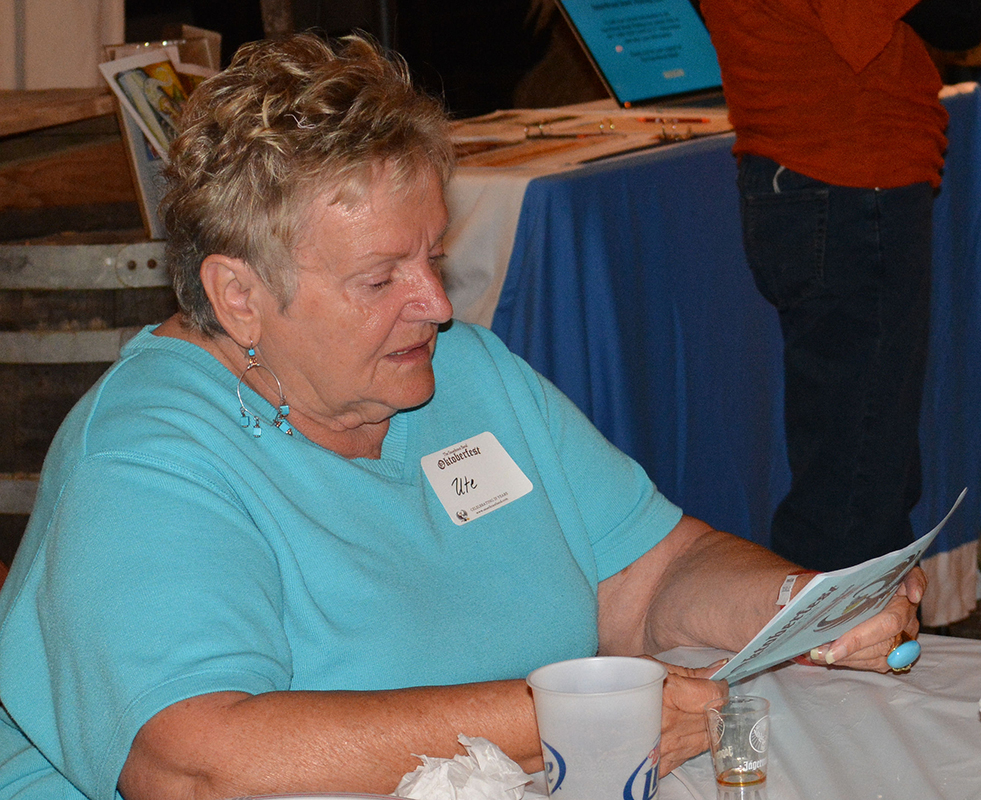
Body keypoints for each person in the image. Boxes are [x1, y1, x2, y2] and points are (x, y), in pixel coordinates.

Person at [0, 33, 924, 800]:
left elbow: (648, 578)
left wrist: (799, 606)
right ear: (238, 294)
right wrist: (569, 719)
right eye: (381, 277)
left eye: (433, 257)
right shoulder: (145, 456)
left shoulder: (468, 376)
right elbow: (197, 762)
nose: (436, 304)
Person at [697, 0, 949, 571]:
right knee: (855, 475)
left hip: (802, 173)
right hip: (849, 174)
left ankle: (857, 636)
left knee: (856, 454)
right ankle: (824, 648)